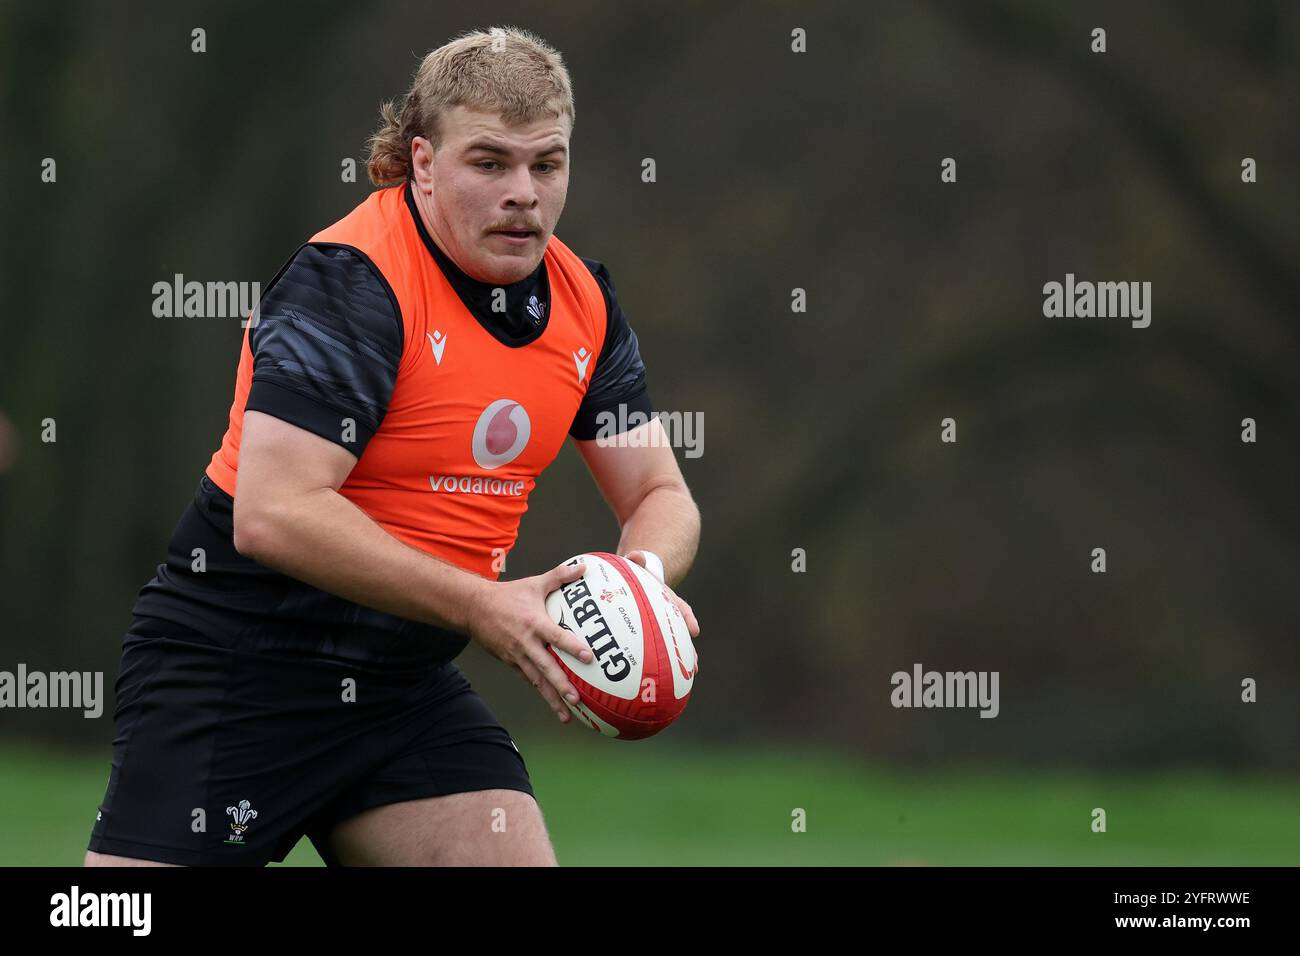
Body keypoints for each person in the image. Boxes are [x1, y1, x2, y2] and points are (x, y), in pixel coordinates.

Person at [85, 25, 700, 867]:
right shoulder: (352, 284)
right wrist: (485, 604)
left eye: (545, 164)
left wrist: (642, 587)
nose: (523, 193)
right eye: (489, 164)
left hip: (399, 690)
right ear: (422, 162)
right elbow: (273, 514)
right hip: (235, 671)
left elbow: (660, 497)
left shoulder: (581, 302)